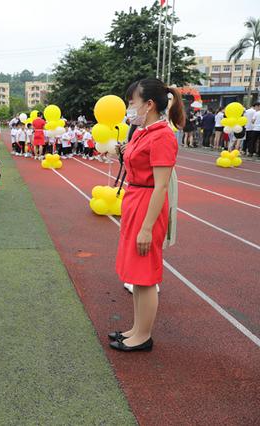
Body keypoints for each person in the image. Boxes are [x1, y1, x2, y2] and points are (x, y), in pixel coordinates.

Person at [109, 78, 184, 353]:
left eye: (132, 102)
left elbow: (161, 185)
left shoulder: (162, 135)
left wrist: (147, 228)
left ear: (149, 104)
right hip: (135, 199)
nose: (129, 107)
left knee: (145, 275)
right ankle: (136, 329)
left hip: (148, 203)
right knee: (135, 274)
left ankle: (144, 335)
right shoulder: (141, 131)